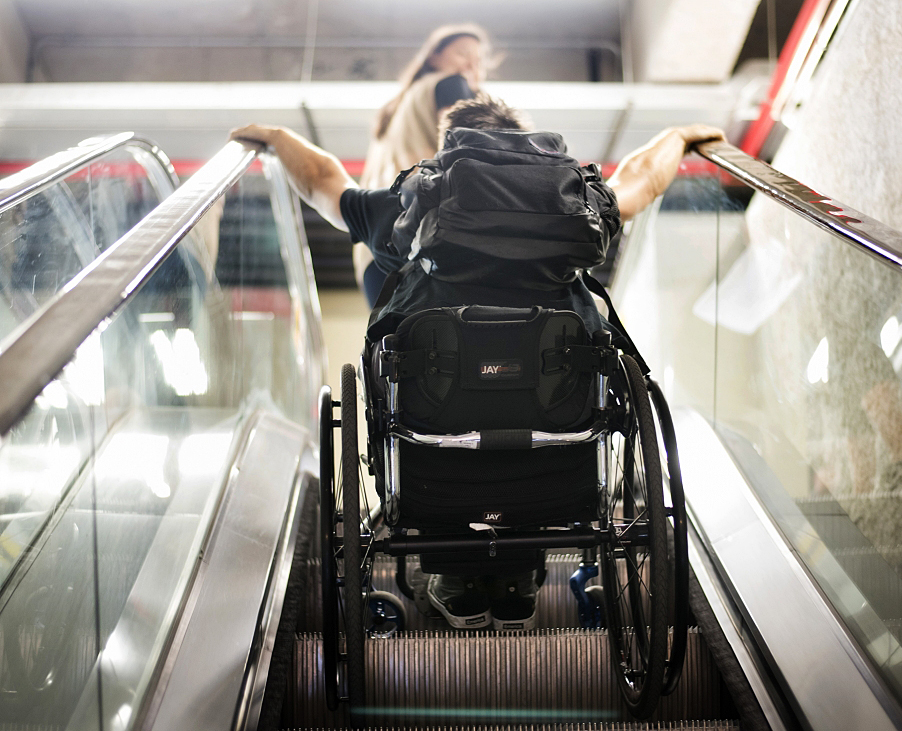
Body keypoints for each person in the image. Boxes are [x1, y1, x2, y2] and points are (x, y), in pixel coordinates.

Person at [231, 97, 724, 630]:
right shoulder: (576, 202)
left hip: (435, 435)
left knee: (438, 401)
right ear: (529, 146)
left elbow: (326, 184)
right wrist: (676, 135)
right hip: (561, 433)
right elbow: (642, 181)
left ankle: (456, 575)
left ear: (451, 144)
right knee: (548, 392)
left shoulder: (418, 199)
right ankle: (518, 580)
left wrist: (279, 138)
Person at [356, 23, 494, 306]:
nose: (471, 64)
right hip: (421, 238)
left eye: (479, 60)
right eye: (463, 53)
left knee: (392, 344)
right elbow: (464, 150)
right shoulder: (450, 83)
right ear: (434, 57)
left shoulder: (395, 111)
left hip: (373, 251)